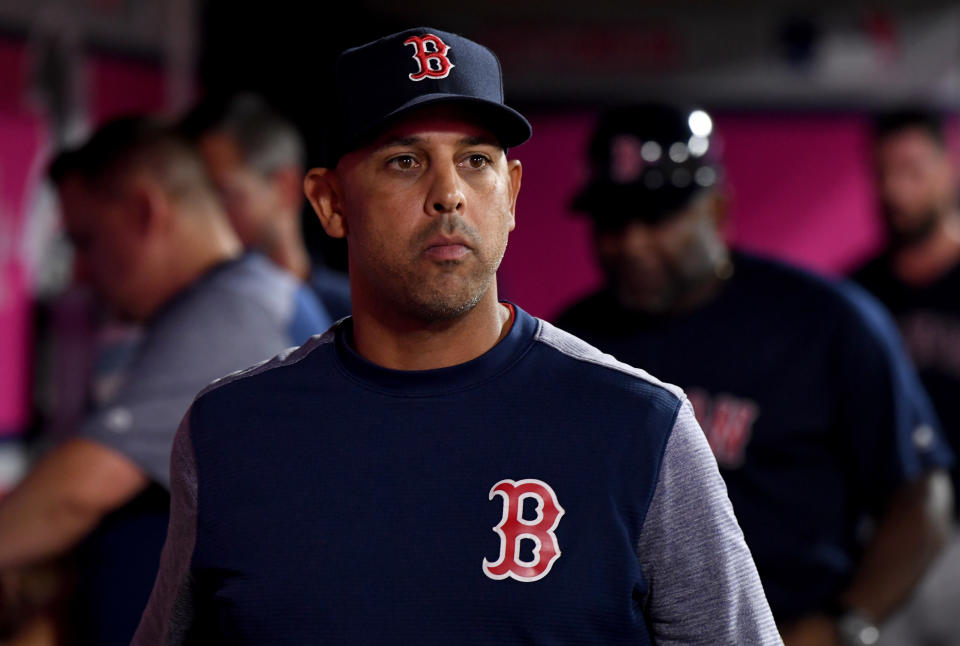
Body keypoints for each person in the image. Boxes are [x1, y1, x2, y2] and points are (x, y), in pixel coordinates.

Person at [135, 28, 781, 644]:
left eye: (475, 160)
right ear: (330, 203)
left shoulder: (641, 426)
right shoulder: (229, 430)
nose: (448, 193)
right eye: (404, 161)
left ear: (512, 195)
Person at [555, 104, 954, 646]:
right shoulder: (575, 343)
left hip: (792, 623)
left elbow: (921, 493)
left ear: (717, 208)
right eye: (612, 222)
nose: (632, 244)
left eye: (657, 219)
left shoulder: (825, 322)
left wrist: (844, 625)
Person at [0, 117, 329, 645]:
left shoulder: (235, 308)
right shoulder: (228, 299)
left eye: (86, 241)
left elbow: (77, 492)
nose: (81, 273)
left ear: (144, 211)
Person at [852, 108, 960, 646]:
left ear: (948, 169)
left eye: (913, 170)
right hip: (884, 533)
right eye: (884, 173)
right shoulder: (854, 297)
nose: (896, 189)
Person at [185, 94, 351, 320]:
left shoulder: (358, 317)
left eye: (223, 194)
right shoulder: (189, 318)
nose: (204, 217)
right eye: (196, 200)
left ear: (286, 188)